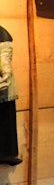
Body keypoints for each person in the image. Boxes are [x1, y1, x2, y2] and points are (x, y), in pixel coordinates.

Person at [0, 25, 21, 166]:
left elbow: (4, 62)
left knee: (5, 120)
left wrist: (4, 77)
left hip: (3, 88)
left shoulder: (1, 34)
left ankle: (6, 154)